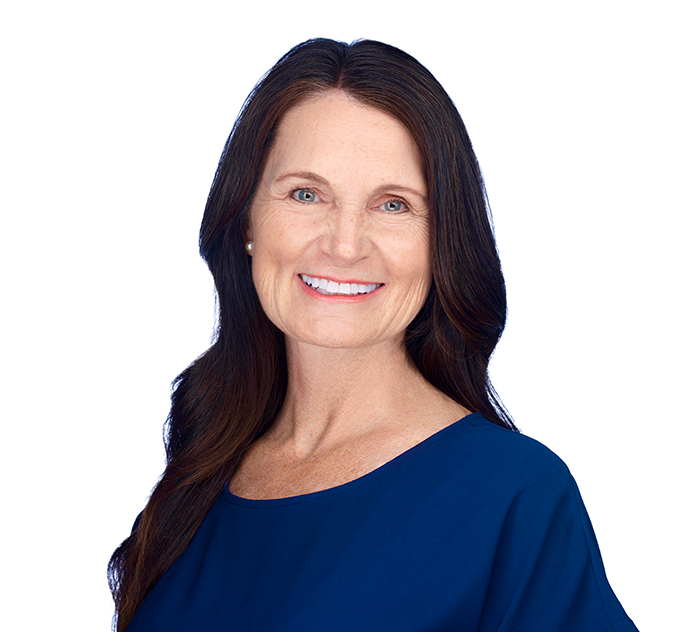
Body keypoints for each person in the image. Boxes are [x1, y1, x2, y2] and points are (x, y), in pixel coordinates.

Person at [108, 38, 639, 631]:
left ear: (441, 243)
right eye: (306, 194)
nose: (343, 244)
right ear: (247, 221)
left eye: (393, 205)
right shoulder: (200, 476)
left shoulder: (513, 499)